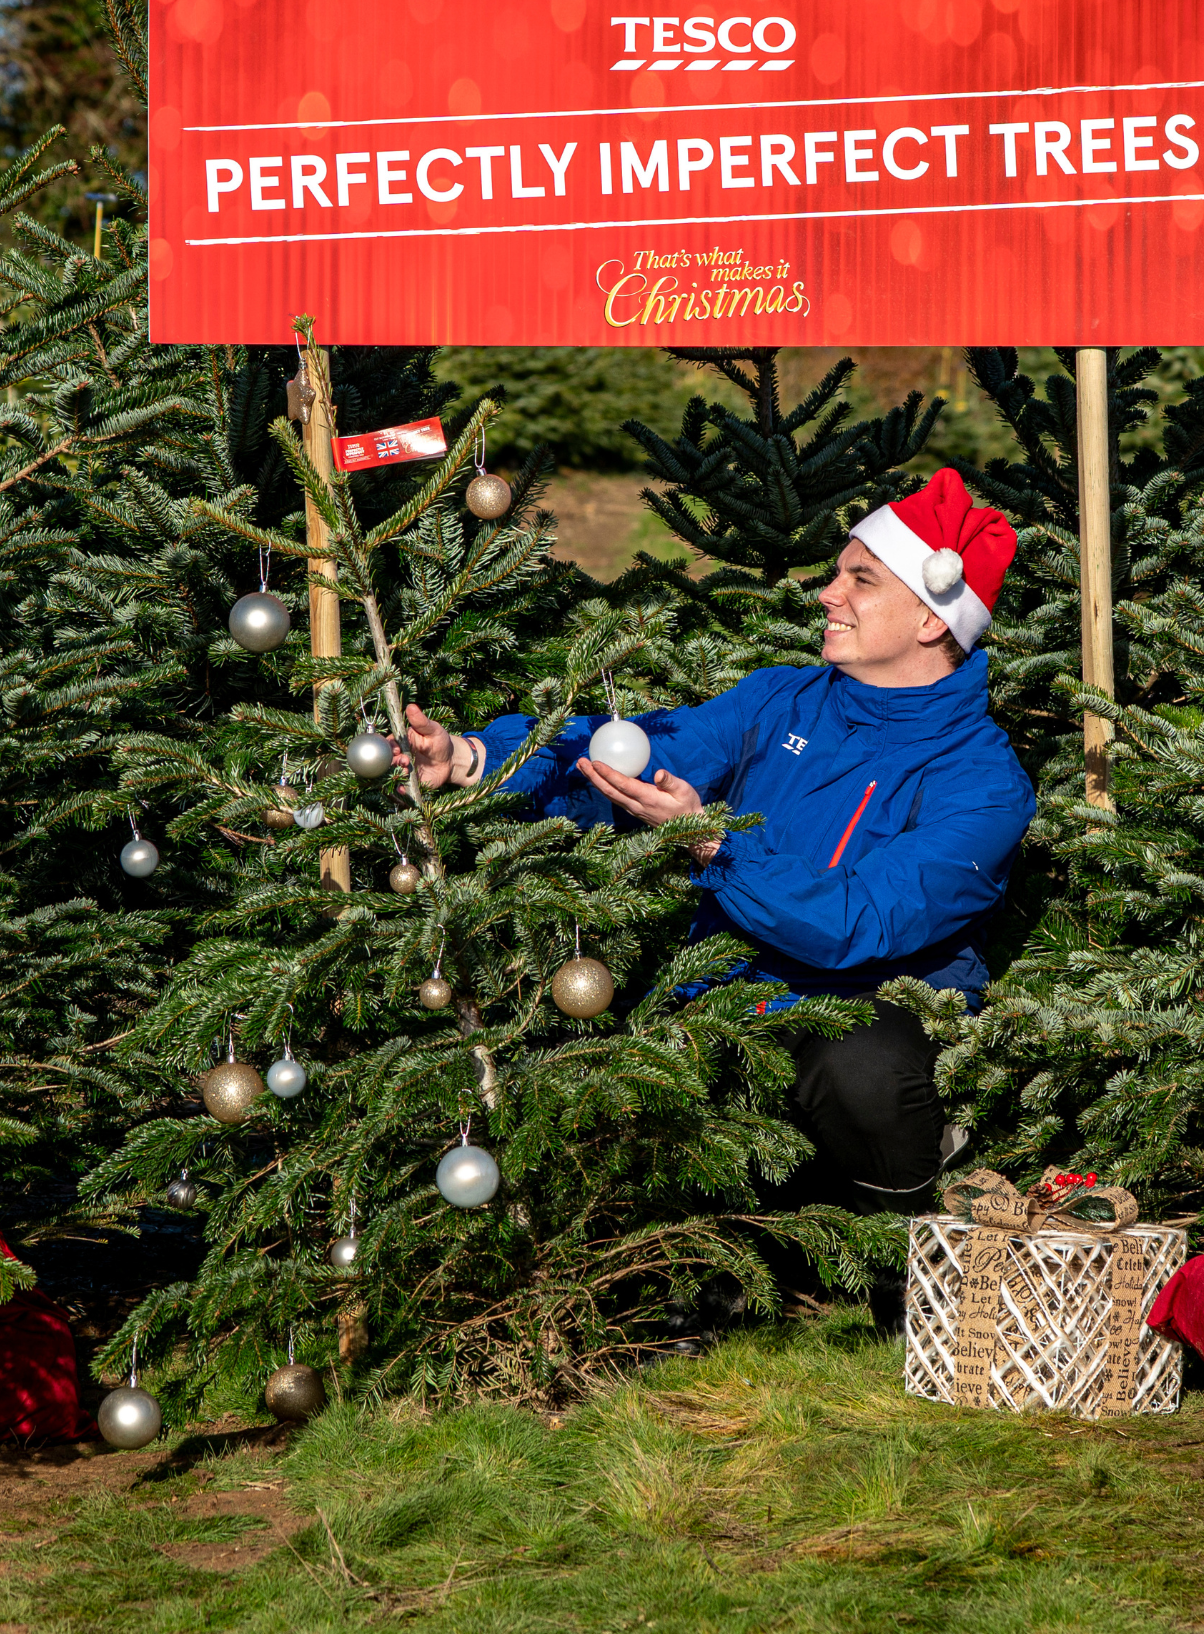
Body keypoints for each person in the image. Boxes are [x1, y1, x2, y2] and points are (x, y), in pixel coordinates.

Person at [402, 466, 1035, 1237]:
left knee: (861, 1068)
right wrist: (474, 758)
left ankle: (906, 1250)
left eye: (859, 580)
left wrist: (715, 844)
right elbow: (640, 749)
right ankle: (713, 1264)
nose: (828, 595)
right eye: (837, 573)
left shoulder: (984, 783)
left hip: (872, 1005)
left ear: (932, 619)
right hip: (727, 989)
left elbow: (861, 921)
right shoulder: (780, 699)